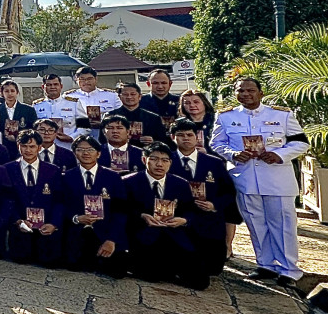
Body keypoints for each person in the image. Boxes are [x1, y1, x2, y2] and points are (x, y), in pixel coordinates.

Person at [210, 77, 309, 285]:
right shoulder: (226, 116)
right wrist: (234, 154)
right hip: (245, 178)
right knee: (256, 224)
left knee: (283, 225)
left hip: (276, 178)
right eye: (241, 91)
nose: (245, 94)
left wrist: (280, 154)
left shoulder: (281, 115)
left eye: (250, 90)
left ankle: (289, 269)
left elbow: (301, 143)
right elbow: (217, 143)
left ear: (261, 93)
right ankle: (265, 265)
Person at [123, 142, 209, 290]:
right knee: (152, 276)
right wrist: (141, 216)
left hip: (173, 234)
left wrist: (184, 220)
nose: (159, 164)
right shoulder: (128, 182)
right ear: (144, 160)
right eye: (154, 159)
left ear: (170, 162)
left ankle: (173, 268)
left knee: (200, 282)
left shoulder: (180, 184)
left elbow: (191, 210)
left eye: (164, 160)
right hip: (143, 235)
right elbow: (120, 209)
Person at [168, 118, 235, 276]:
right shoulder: (165, 161)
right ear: (172, 137)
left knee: (213, 270)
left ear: (197, 137)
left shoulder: (214, 163)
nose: (186, 138)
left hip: (208, 222)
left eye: (190, 135)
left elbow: (229, 192)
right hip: (176, 221)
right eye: (181, 135)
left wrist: (214, 205)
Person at [59, 136, 127, 277]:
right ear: (74, 153)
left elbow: (120, 211)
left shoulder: (113, 177)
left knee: (117, 271)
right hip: (77, 231)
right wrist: (76, 218)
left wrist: (111, 239)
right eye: (80, 150)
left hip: (105, 231)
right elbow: (61, 205)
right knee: (74, 267)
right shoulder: (66, 177)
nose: (85, 153)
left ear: (99, 153)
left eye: (90, 149)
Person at [3, 131, 64, 267]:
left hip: (45, 225)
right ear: (18, 146)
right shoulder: (8, 169)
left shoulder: (53, 170)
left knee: (49, 261)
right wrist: (18, 220)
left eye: (32, 146)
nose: (28, 150)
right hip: (21, 225)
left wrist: (53, 224)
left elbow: (59, 201)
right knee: (20, 259)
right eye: (24, 146)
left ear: (39, 147)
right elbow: (6, 200)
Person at [66, 66, 121, 140]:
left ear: (96, 79)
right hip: (79, 138)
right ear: (76, 80)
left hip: (106, 136)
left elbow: (122, 116)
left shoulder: (111, 96)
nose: (86, 82)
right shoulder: (68, 97)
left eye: (89, 79)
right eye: (82, 79)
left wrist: (103, 123)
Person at [31, 74, 80, 148]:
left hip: (68, 146)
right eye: (49, 85)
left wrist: (72, 137)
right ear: (43, 87)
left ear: (61, 86)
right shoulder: (36, 106)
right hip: (43, 148)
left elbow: (85, 127)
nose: (52, 87)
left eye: (55, 84)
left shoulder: (74, 103)